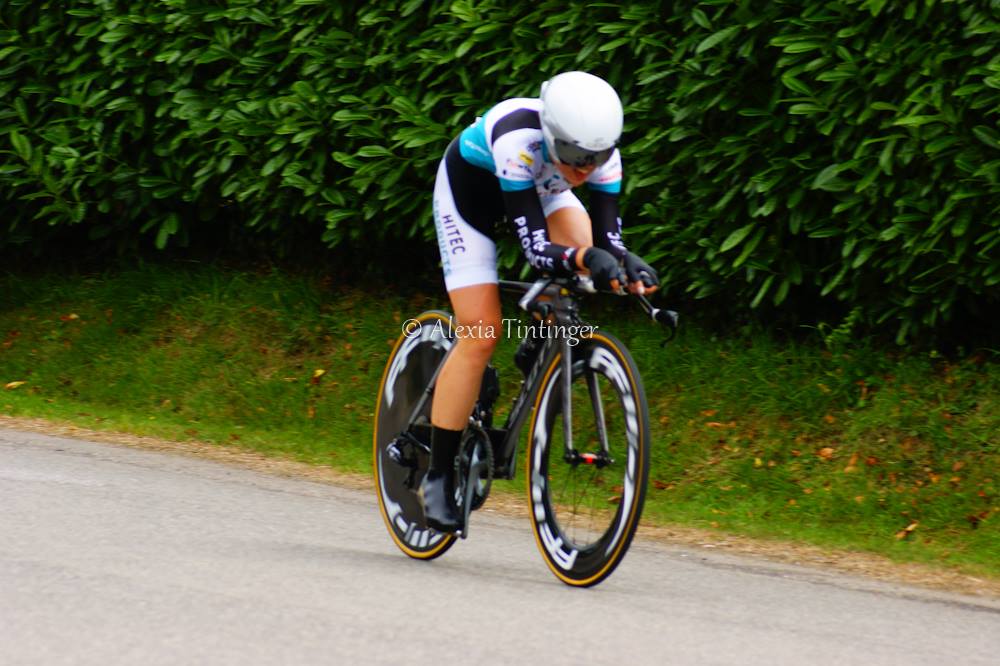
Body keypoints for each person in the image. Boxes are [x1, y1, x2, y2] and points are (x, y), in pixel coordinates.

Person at [422, 71, 659, 532]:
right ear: (552, 136)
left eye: (596, 159)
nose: (586, 170)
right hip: (471, 198)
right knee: (480, 332)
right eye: (574, 158)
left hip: (542, 192)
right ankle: (435, 475)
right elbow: (535, 249)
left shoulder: (599, 153)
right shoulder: (518, 139)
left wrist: (627, 264)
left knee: (588, 252)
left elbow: (608, 242)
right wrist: (588, 257)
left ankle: (542, 328)